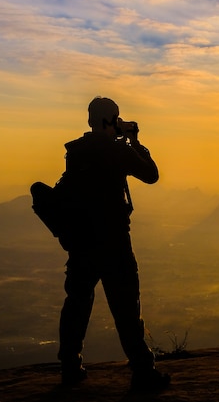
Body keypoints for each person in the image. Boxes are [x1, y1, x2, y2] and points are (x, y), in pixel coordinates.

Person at [56, 96, 170, 390]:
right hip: (113, 243)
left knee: (77, 304)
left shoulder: (76, 152)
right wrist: (134, 140)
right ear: (112, 121)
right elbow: (152, 174)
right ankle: (143, 371)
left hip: (82, 243)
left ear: (90, 120)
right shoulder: (117, 151)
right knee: (126, 308)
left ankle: (70, 366)